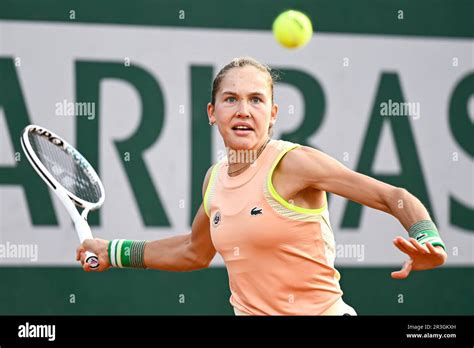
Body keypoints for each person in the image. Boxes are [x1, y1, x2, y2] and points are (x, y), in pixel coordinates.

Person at [76, 57, 447, 315]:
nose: (243, 110)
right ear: (212, 112)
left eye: (256, 100)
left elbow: (392, 196)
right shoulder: (214, 179)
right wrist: (115, 251)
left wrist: (429, 239)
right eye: (231, 99)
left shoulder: (295, 164)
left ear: (271, 114)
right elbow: (194, 251)